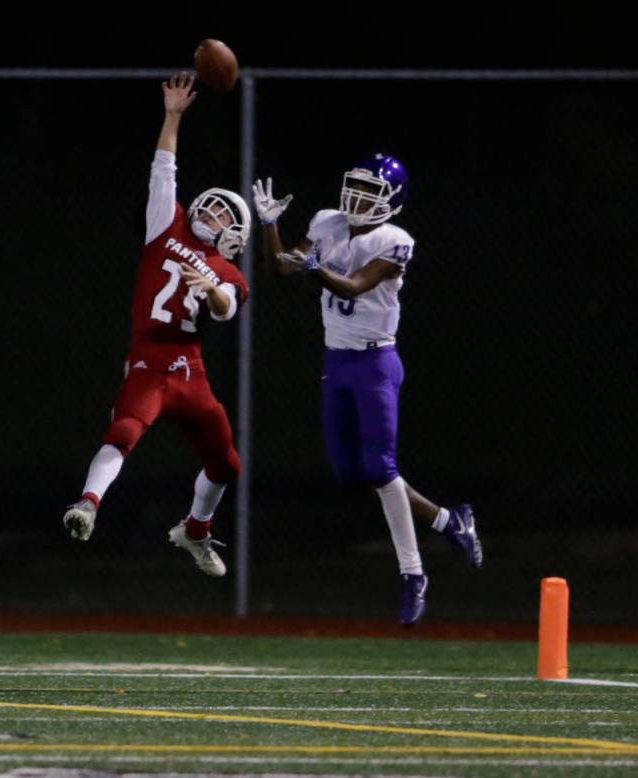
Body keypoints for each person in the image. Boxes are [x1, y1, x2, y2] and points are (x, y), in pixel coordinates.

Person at [252, 158, 482, 625]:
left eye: (369, 190)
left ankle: (413, 574)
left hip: (376, 362)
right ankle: (449, 521)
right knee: (352, 472)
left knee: (381, 467)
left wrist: (314, 267)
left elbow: (354, 286)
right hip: (336, 360)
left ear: (392, 197)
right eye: (354, 187)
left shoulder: (395, 240)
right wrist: (270, 226)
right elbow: (280, 269)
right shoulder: (327, 222)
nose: (356, 198)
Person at [63, 73, 251, 577]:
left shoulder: (228, 269)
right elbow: (163, 169)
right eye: (209, 204)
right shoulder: (163, 224)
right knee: (124, 428)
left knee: (227, 463)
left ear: (234, 238)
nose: (209, 213)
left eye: (221, 215)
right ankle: (87, 504)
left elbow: (227, 307)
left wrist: (210, 287)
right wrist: (172, 116)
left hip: (189, 368)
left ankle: (194, 531)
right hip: (148, 359)